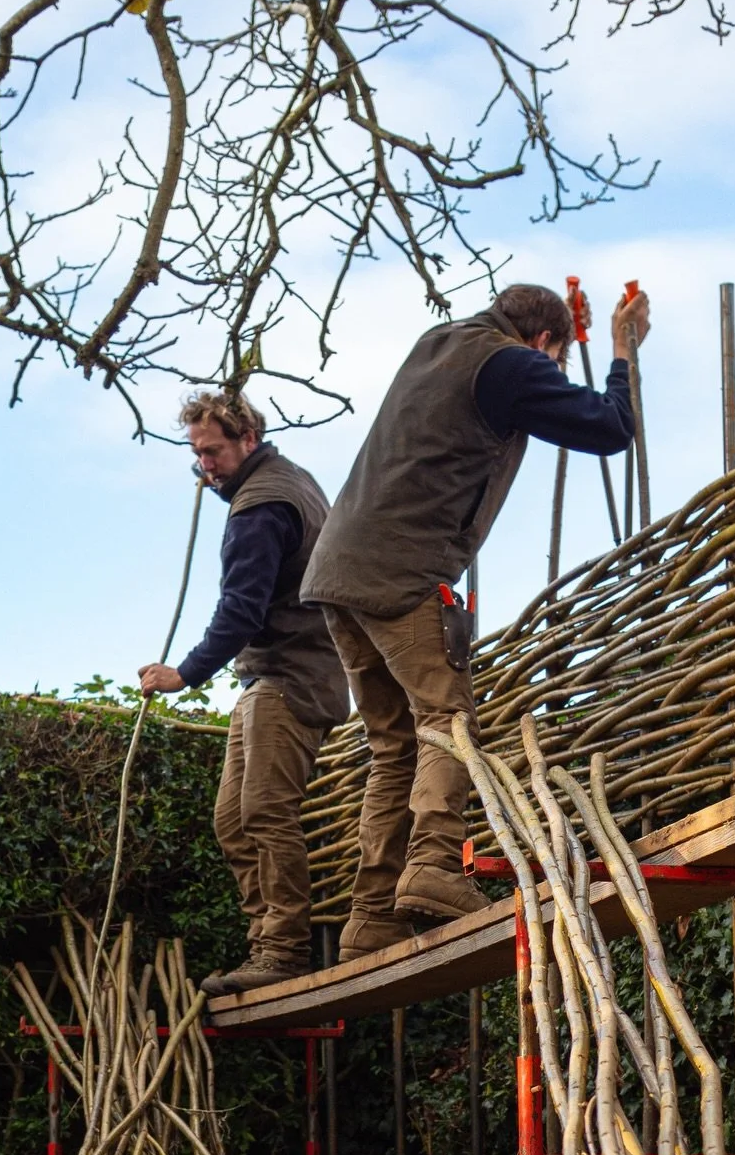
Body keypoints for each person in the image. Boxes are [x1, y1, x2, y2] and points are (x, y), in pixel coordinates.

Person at [302, 282, 650, 959]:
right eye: (553, 361)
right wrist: (620, 350)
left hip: (338, 571)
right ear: (545, 343)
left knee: (393, 744)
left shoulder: (440, 343)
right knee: (445, 721)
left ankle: (371, 916)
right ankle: (432, 862)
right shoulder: (511, 364)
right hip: (400, 570)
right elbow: (610, 429)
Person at [139, 391, 349, 994]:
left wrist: (185, 672)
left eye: (213, 450)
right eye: (197, 454)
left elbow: (241, 609)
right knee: (232, 819)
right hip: (281, 673)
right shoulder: (290, 481)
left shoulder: (262, 506)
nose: (205, 465)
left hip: (292, 673)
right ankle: (266, 946)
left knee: (262, 812)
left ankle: (282, 951)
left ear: (247, 439)